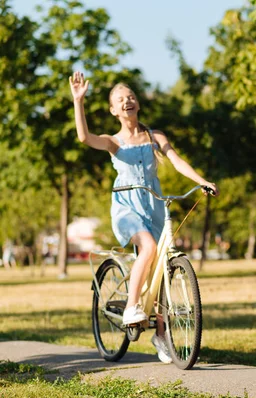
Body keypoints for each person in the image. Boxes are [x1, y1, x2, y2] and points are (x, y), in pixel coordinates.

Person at [69, 71, 219, 364]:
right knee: (149, 249)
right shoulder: (114, 141)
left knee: (161, 268)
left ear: (137, 104)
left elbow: (176, 161)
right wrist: (79, 101)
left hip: (154, 205)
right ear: (114, 110)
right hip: (126, 206)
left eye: (131, 97)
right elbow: (84, 137)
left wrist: (202, 180)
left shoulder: (154, 136)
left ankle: (161, 333)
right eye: (120, 100)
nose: (128, 102)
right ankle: (132, 307)